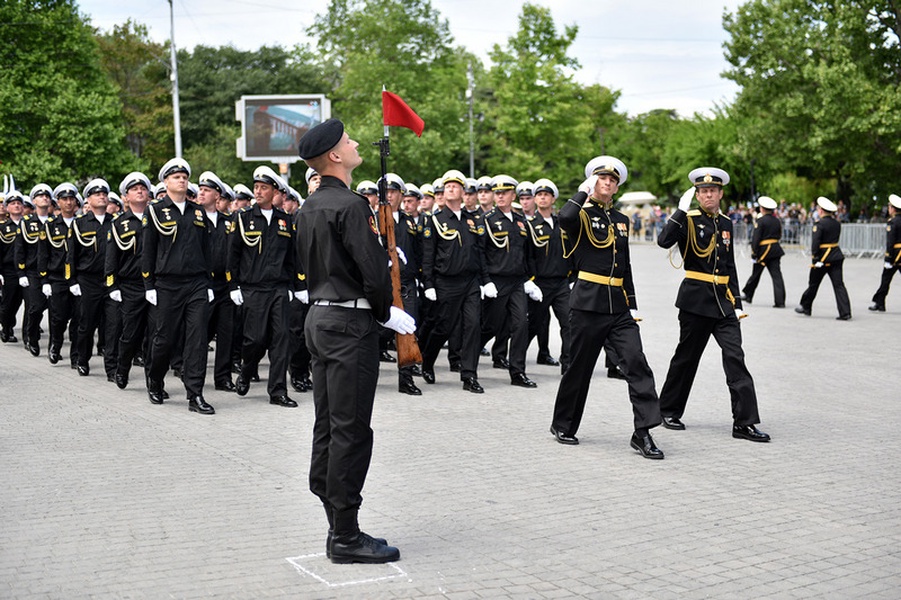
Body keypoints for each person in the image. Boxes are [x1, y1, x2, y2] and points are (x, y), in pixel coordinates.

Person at [295, 118, 415, 564]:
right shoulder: (350, 206)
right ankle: (345, 536)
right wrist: (388, 312)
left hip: (320, 319)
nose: (355, 143)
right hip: (349, 326)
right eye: (348, 141)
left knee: (329, 424)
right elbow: (373, 270)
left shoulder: (308, 206)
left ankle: (335, 517)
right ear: (335, 157)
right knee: (351, 429)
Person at [549, 156, 664, 459]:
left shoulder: (622, 221)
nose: (608, 182)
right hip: (587, 303)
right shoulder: (581, 215)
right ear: (593, 182)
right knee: (579, 369)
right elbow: (564, 218)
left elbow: (624, 266)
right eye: (602, 178)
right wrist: (581, 192)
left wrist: (633, 303)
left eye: (613, 180)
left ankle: (643, 432)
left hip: (618, 307)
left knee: (637, 363)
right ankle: (563, 424)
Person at [657, 167, 770, 443]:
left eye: (713, 191)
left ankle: (744, 422)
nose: (708, 194)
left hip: (723, 302)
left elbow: (729, 265)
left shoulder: (726, 223)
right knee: (686, 358)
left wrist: (738, 301)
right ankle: (668, 410)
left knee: (736, 358)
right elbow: (663, 241)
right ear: (697, 195)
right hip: (695, 300)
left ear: (720, 194)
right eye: (703, 191)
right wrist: (680, 212)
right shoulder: (689, 219)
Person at [142, 158, 215, 415]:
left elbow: (206, 250)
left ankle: (195, 394)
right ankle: (155, 377)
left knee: (197, 339)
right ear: (165, 182)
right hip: (167, 283)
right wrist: (149, 284)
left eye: (184, 176)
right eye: (175, 177)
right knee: (165, 338)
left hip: (195, 283)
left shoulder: (198, 212)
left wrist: (207, 282)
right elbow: (147, 250)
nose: (181, 180)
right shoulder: (155, 211)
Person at [228, 166, 299, 408]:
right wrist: (234, 285)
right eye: (256, 187)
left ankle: (278, 391)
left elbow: (292, 257)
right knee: (255, 340)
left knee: (281, 341)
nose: (258, 191)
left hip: (278, 289)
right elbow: (233, 255)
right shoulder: (244, 218)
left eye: (263, 188)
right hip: (253, 289)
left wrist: (293, 285)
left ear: (275, 192)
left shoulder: (285, 221)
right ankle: (247, 371)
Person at [419, 169, 489, 393]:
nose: (450, 188)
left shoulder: (472, 220)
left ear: (462, 191)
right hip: (446, 282)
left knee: (473, 327)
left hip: (470, 282)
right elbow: (428, 256)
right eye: (447, 185)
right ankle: (427, 361)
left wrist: (486, 280)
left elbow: (480, 253)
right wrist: (428, 284)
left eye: (455, 186)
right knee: (444, 328)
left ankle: (469, 375)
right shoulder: (435, 221)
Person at [481, 174, 539, 388]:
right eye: (497, 193)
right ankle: (464, 356)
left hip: (516, 282)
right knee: (490, 326)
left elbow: (525, 254)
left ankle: (517, 372)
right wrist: (485, 281)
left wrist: (528, 280)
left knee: (521, 325)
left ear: (513, 195)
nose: (500, 196)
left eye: (504, 193)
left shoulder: (520, 222)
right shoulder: (487, 221)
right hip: (496, 281)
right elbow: (481, 253)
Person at [104, 172, 152, 389]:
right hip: (131, 285)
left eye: (143, 188)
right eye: (134, 189)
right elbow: (111, 257)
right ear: (126, 197)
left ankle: (154, 381)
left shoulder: (157, 216)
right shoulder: (119, 224)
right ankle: (122, 368)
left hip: (155, 284)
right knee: (130, 334)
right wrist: (112, 284)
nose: (140, 191)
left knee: (155, 336)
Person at [67, 179, 116, 378]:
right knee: (86, 325)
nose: (102, 196)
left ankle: (112, 368)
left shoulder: (117, 222)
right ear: (88, 199)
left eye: (104, 193)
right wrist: (72, 281)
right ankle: (82, 358)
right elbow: (71, 255)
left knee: (113, 326)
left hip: (112, 281)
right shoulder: (80, 224)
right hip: (88, 281)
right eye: (97, 194)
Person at [196, 171, 238, 393]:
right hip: (202, 285)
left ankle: (222, 377)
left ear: (217, 195)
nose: (201, 193)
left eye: (206, 190)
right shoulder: (193, 219)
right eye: (200, 189)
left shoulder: (228, 223)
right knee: (200, 334)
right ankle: (195, 376)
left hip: (225, 285)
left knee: (226, 333)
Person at [525, 178, 571, 371]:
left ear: (553, 199)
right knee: (533, 325)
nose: (543, 198)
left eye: (547, 195)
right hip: (540, 283)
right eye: (539, 195)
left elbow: (573, 251)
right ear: (535, 200)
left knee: (569, 323)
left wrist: (573, 278)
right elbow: (526, 255)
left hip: (561, 283)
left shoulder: (564, 223)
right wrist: (529, 280)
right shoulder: (529, 225)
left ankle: (568, 364)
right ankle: (515, 360)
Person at [39, 183, 81, 365]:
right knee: (59, 317)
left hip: (79, 278)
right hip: (57, 278)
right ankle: (55, 344)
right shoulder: (50, 226)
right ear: (57, 203)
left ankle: (76, 355)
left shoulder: (82, 224)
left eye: (71, 199)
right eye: (64, 199)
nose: (69, 202)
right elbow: (43, 254)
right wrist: (44, 279)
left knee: (79, 317)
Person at [794, 196, 852, 320]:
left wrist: (815, 259)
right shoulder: (837, 223)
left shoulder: (819, 224)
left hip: (822, 257)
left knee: (813, 284)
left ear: (820, 210)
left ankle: (806, 306)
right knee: (839, 285)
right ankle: (845, 312)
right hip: (836, 256)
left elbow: (816, 243)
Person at [15, 184, 54, 356]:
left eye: (47, 196)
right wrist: (21, 273)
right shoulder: (26, 224)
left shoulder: (56, 223)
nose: (44, 198)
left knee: (56, 312)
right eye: (40, 196)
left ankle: (54, 346)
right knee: (35, 307)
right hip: (33, 273)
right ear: (33, 201)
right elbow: (20, 250)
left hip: (53, 273)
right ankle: (31, 337)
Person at [741, 196, 786, 308]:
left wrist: (754, 252)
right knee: (777, 276)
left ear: (762, 209)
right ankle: (780, 301)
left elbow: (756, 238)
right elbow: (780, 235)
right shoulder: (777, 221)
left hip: (763, 251)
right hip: (775, 249)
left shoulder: (760, 221)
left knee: (756, 274)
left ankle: (748, 294)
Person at [1, 190, 26, 343]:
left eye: (19, 203)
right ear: (7, 208)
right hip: (9, 269)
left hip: (26, 270)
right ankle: (6, 328)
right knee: (8, 302)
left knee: (20, 301)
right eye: (12, 203)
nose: (16, 206)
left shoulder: (28, 225)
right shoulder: (3, 227)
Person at [868, 194, 901, 312]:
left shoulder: (892, 222)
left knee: (886, 279)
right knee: (885, 279)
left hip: (895, 254)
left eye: (889, 206)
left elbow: (890, 241)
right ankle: (879, 302)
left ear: (893, 208)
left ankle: (880, 303)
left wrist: (888, 258)